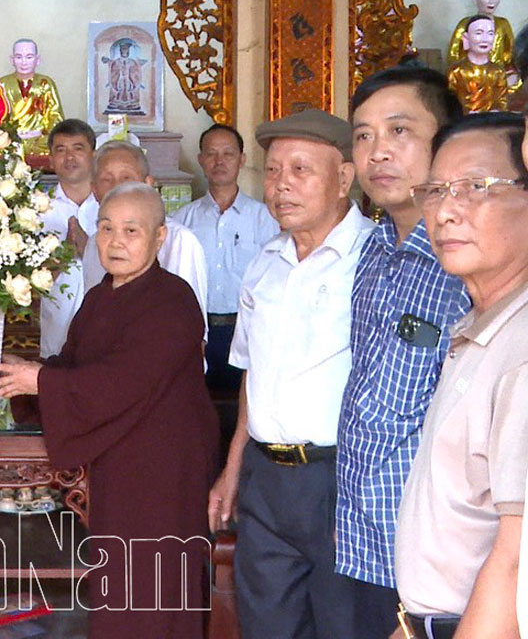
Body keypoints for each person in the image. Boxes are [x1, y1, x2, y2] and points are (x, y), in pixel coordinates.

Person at [0, 182, 218, 638]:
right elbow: (75, 367)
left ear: (159, 237)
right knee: (120, 586)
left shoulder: (173, 300)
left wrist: (42, 382)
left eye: (131, 230)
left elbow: (123, 380)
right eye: (106, 228)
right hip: (121, 463)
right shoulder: (99, 296)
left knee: (158, 587)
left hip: (164, 470)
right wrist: (28, 376)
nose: (115, 241)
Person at [207, 109, 374, 639]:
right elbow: (254, 377)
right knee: (268, 625)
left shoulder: (374, 259)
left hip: (341, 480)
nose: (282, 186)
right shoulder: (266, 262)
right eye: (274, 171)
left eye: (300, 170)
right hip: (267, 481)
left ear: (344, 178)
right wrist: (234, 468)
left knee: (344, 625)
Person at [334, 67, 468, 639]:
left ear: (447, 146)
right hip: (363, 537)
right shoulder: (373, 254)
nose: (377, 152)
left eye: (399, 131)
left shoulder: (466, 265)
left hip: (438, 560)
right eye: (363, 136)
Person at [394, 112, 528, 639]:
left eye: (477, 187)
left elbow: (516, 557)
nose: (447, 211)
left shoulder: (521, 351)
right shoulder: (479, 325)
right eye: (436, 190)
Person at [172, 124, 278, 392]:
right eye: (211, 153)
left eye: (228, 154)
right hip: (197, 333)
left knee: (246, 405)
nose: (220, 161)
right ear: (201, 160)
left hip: (246, 329)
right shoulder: (183, 220)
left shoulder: (265, 219)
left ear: (242, 160)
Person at [80, 141, 208, 323]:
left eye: (126, 178)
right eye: (107, 179)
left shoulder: (180, 241)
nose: (118, 187)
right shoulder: (96, 243)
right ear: (94, 190)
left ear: (148, 183)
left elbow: (194, 331)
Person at [39, 119, 97, 358]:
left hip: (108, 333)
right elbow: (26, 281)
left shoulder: (112, 206)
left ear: (93, 155)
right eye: (60, 150)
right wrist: (61, 256)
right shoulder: (36, 211)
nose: (69, 157)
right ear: (51, 160)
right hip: (56, 333)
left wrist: (90, 250)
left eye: (78, 148)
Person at [0, 39, 63, 157]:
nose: (24, 62)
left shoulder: (46, 83)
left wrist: (46, 136)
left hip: (38, 140)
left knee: (56, 141)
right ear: (12, 60)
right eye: (18, 57)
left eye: (29, 57)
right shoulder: (2, 84)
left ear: (37, 60)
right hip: (10, 140)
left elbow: (55, 116)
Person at [447, 15, 520, 114]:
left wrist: (496, 110)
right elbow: (450, 101)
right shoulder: (457, 70)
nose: (485, 39)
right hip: (463, 123)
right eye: (479, 33)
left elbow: (501, 100)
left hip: (489, 122)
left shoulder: (497, 71)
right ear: (466, 38)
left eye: (490, 33)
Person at [447, 0, 517, 68]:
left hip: (497, 74)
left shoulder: (503, 24)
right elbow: (454, 53)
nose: (491, 1)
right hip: (470, 74)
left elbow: (510, 51)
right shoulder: (465, 24)